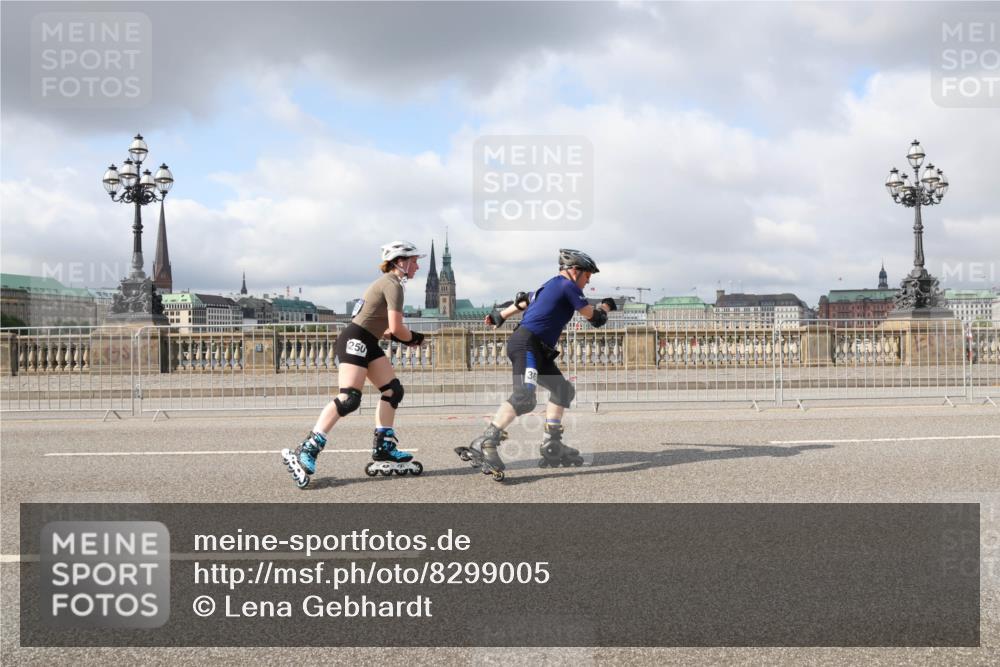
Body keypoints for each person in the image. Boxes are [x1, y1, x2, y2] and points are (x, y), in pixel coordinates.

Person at [456, 249, 616, 481]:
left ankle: (553, 443)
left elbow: (523, 300)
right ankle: (485, 441)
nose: (589, 280)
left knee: (563, 390)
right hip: (527, 345)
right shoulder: (567, 286)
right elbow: (596, 320)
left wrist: (499, 316)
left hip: (538, 349)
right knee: (524, 397)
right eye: (588, 275)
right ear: (574, 271)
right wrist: (606, 307)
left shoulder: (548, 286)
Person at [282, 241, 427, 488]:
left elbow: (378, 326)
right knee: (349, 398)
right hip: (355, 340)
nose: (417, 265)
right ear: (399, 262)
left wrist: (401, 337)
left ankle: (384, 447)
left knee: (393, 391)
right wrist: (416, 339)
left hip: (367, 340)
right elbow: (397, 328)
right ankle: (308, 448)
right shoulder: (392, 285)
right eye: (413, 260)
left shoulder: (390, 284)